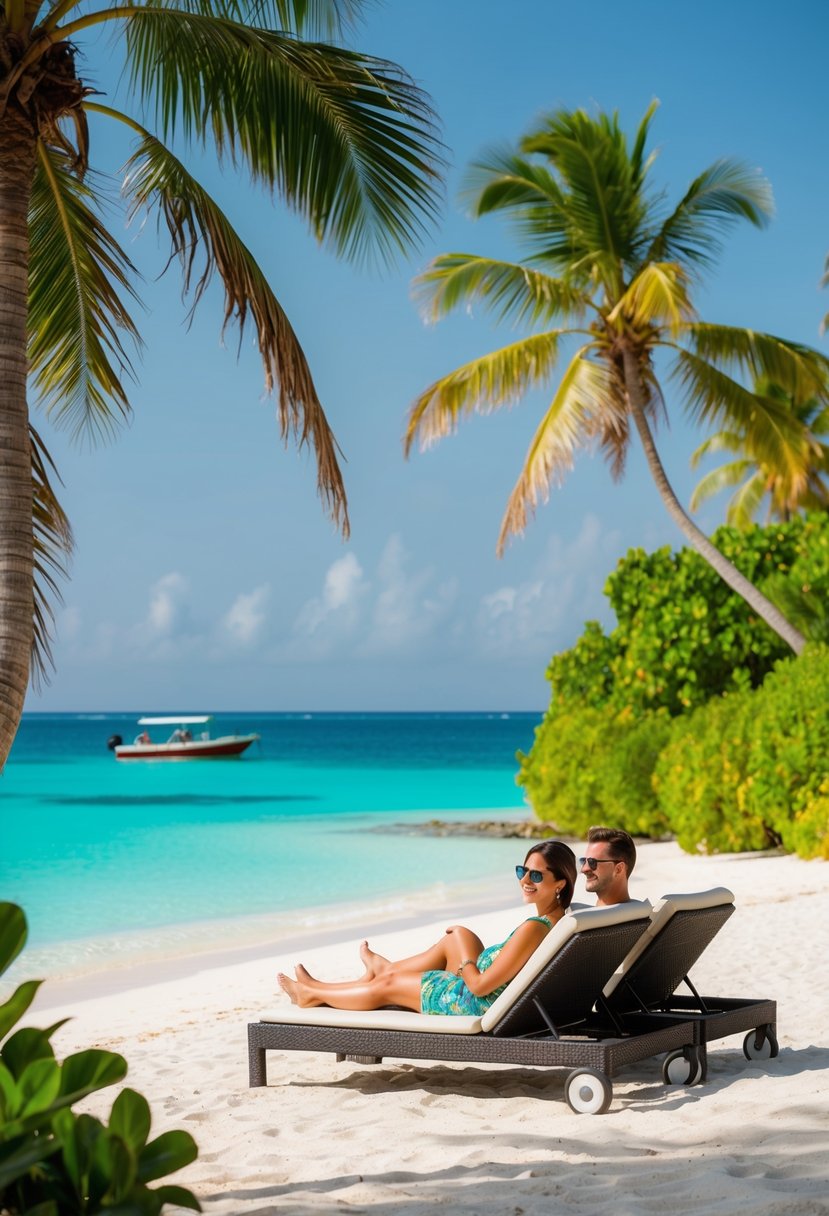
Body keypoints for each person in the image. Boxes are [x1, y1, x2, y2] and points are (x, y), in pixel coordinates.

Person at [277, 839, 577, 1015]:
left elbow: (480, 986)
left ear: (560, 883)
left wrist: (465, 962)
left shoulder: (534, 928)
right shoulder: (558, 920)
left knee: (387, 987)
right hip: (489, 992)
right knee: (457, 935)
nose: (525, 880)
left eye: (536, 876)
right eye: (521, 871)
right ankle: (372, 971)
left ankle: (315, 993)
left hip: (469, 1001)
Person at [579, 825, 637, 906]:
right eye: (583, 861)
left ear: (619, 869)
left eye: (592, 862)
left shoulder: (630, 917)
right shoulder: (639, 912)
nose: (584, 869)